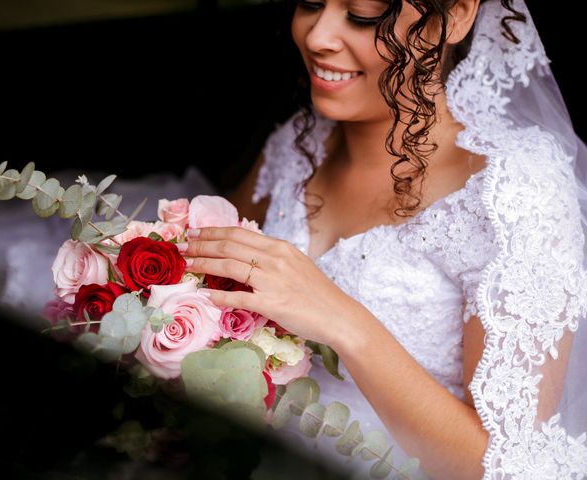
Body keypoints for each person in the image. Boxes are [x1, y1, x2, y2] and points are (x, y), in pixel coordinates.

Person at [175, 0, 587, 478]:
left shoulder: (513, 190)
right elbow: (208, 280)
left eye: (363, 13)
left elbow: (506, 467)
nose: (317, 36)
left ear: (455, 16)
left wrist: (344, 323)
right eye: (310, 2)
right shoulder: (298, 146)